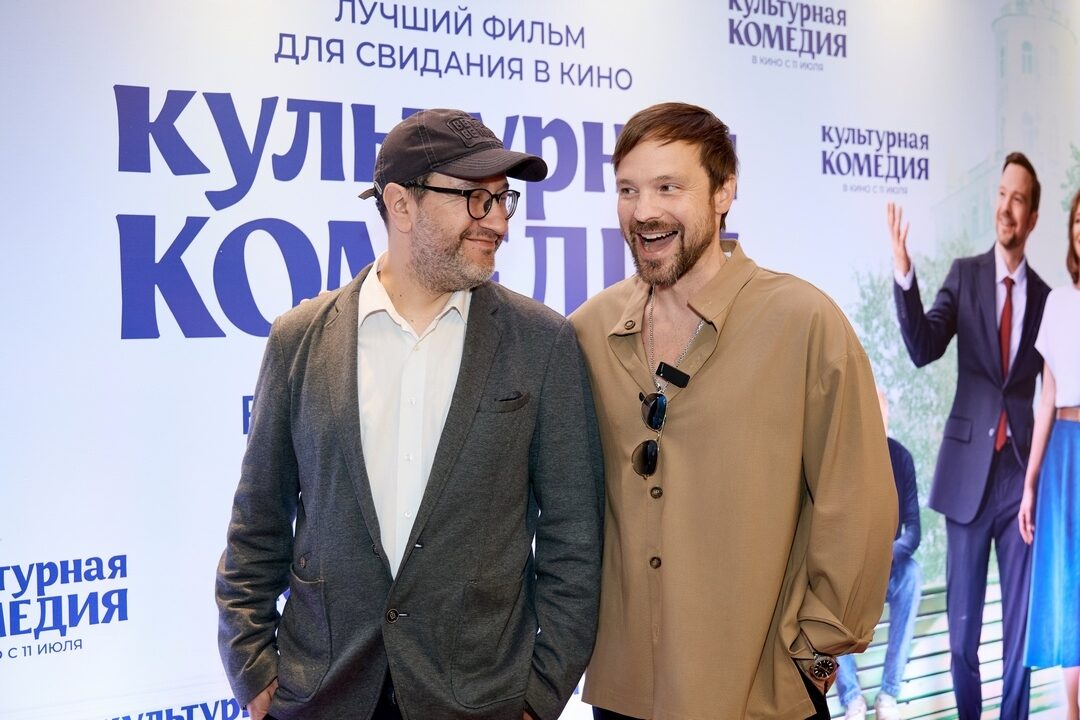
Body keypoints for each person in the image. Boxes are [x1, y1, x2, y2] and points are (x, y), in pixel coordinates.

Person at [215, 108, 604, 720]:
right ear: (401, 204)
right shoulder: (299, 339)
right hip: (322, 695)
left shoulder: (542, 342)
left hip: (479, 702)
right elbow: (257, 520)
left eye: (503, 200)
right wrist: (251, 666)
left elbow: (573, 541)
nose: (499, 221)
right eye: (476, 199)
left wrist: (541, 693)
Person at [569, 101, 896, 720]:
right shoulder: (587, 331)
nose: (644, 211)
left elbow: (859, 508)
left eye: (669, 187)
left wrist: (813, 660)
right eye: (628, 190)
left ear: (724, 192)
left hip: (762, 699)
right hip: (624, 697)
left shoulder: (804, 323)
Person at [889, 152, 1050, 720]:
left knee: (1019, 638)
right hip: (967, 479)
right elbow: (922, 347)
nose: (1006, 207)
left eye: (1018, 199)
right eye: (1002, 194)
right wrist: (904, 274)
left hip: (1022, 480)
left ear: (1032, 217)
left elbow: (1057, 388)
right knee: (962, 638)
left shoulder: (1048, 298)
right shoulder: (964, 275)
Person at [1018, 187, 1080, 720]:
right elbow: (1047, 397)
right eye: (1078, 221)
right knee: (1067, 577)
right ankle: (1071, 709)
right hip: (1062, 450)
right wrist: (1031, 481)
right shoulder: (1058, 302)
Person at [836, 389, 922, 720]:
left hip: (889, 565)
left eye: (878, 416)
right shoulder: (840, 462)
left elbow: (913, 530)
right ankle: (852, 699)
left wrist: (885, 555)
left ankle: (888, 694)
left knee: (912, 574)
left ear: (886, 419)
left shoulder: (901, 459)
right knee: (821, 584)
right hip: (851, 573)